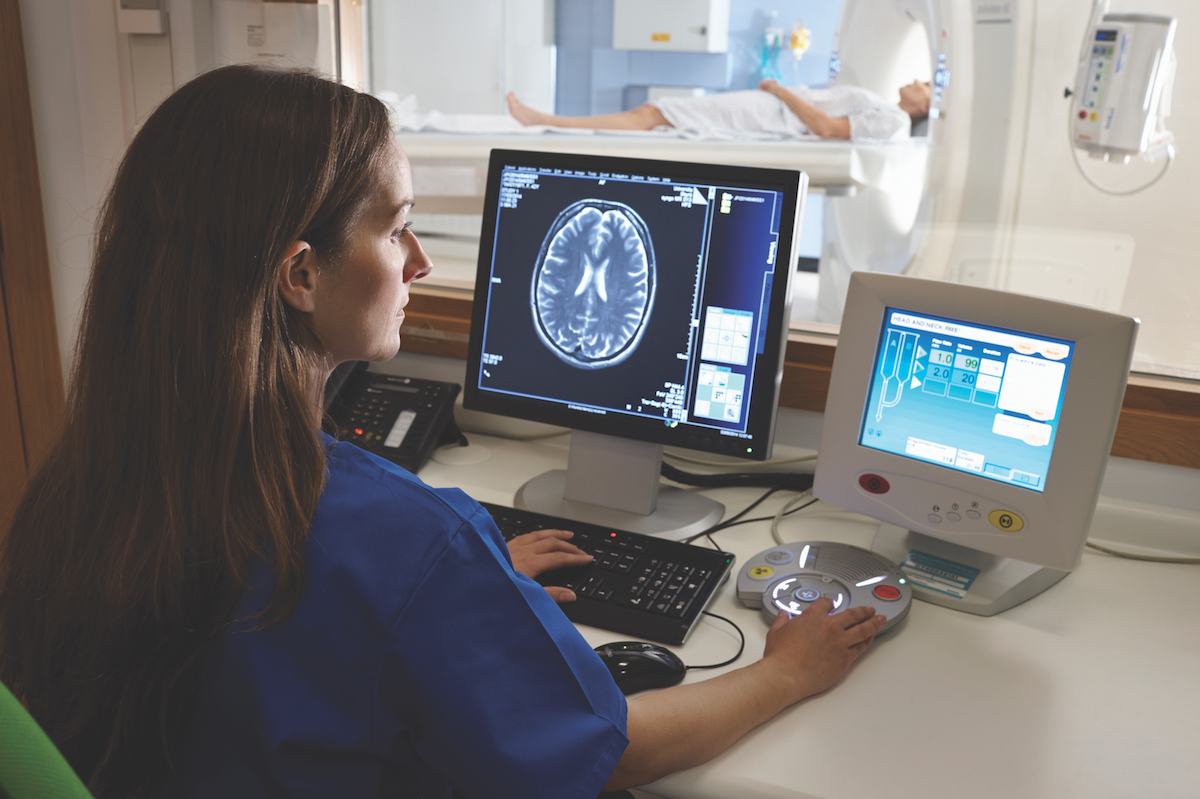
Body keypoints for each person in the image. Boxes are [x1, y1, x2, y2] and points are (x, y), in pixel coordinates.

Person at [0, 64, 886, 799]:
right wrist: (787, 672)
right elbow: (616, 753)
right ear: (301, 275)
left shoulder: (73, 491)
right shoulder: (402, 542)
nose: (421, 263)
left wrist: (462, 596)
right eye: (398, 228)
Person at [507, 78, 932, 143]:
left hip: (772, 115)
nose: (919, 80)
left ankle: (544, 119)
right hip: (770, 108)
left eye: (927, 85)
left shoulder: (893, 121)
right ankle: (546, 119)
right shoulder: (885, 104)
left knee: (657, 114)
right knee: (657, 114)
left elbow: (827, 127)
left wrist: (780, 90)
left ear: (925, 105)